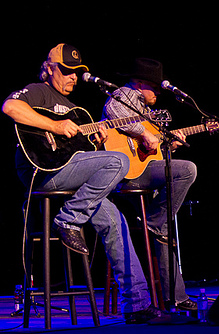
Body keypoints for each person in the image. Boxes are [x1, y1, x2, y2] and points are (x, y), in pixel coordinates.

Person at [2, 44, 163, 324]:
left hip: (74, 180)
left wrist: (98, 143)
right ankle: (68, 220)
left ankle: (137, 305)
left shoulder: (78, 110)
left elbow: (81, 155)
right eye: (66, 71)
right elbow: (10, 107)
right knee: (117, 162)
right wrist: (55, 126)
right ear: (49, 68)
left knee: (116, 221)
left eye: (77, 73)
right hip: (44, 173)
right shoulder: (38, 91)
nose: (72, 78)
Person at [102, 58, 197, 311]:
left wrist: (169, 143)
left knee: (163, 229)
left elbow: (152, 147)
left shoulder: (145, 109)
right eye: (154, 87)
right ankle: (155, 222)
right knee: (187, 170)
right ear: (141, 83)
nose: (157, 93)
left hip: (142, 168)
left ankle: (175, 297)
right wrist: (143, 133)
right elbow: (114, 114)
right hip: (126, 171)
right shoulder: (125, 95)